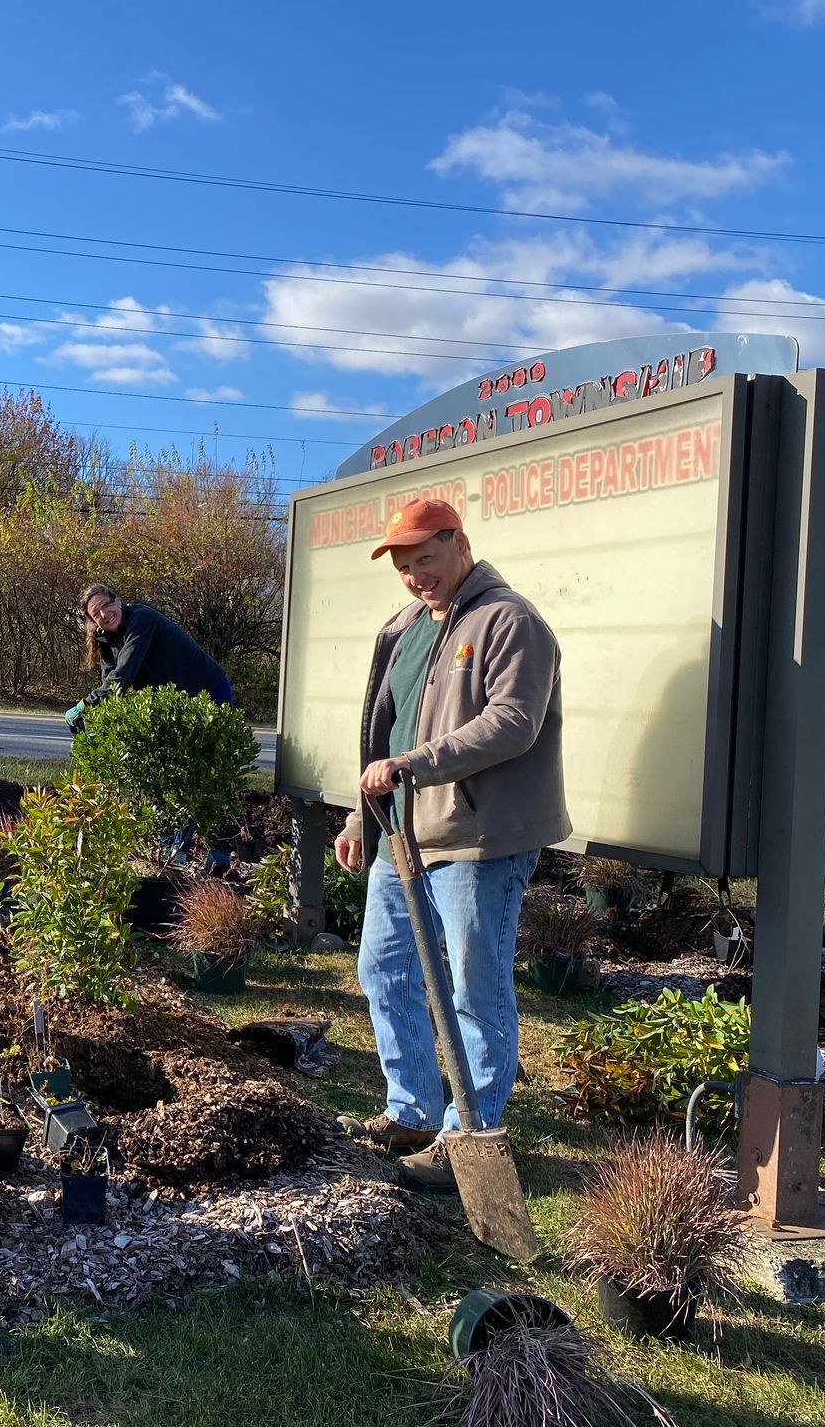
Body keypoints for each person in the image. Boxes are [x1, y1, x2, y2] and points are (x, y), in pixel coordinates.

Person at [332, 498, 568, 1192]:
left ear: (459, 543)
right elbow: (386, 737)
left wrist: (418, 766)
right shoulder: (406, 630)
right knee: (384, 971)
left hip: (479, 840)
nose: (414, 577)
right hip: (403, 834)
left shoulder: (510, 622)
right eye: (403, 567)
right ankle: (411, 1110)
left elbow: (514, 723)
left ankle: (470, 1134)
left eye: (424, 560)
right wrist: (358, 820)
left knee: (476, 988)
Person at [66, 583, 231, 733]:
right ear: (94, 621)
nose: (104, 614)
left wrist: (86, 704)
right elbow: (111, 685)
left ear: (117, 601)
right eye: (96, 613)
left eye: (106, 605)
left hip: (208, 690)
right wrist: (102, 724)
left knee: (205, 756)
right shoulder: (106, 639)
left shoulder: (141, 619)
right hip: (170, 702)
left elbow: (124, 672)